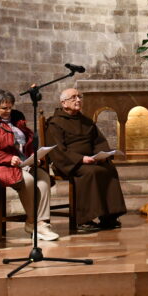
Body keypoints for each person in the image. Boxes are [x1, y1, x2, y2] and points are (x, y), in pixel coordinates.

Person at [0, 89, 59, 241]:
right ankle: (34, 221)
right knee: (28, 180)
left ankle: (40, 223)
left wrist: (34, 156)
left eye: (10, 107)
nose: (8, 111)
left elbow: (28, 145)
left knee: (43, 177)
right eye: (4, 108)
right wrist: (8, 159)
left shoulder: (17, 121)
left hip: (22, 163)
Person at [45, 88, 126, 231]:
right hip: (69, 162)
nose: (78, 100)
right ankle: (84, 220)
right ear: (64, 103)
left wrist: (101, 155)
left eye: (79, 97)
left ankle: (109, 216)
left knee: (109, 169)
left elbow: (98, 141)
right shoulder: (55, 123)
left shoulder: (86, 121)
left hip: (90, 160)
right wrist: (81, 159)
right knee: (90, 173)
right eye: (73, 98)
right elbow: (57, 149)